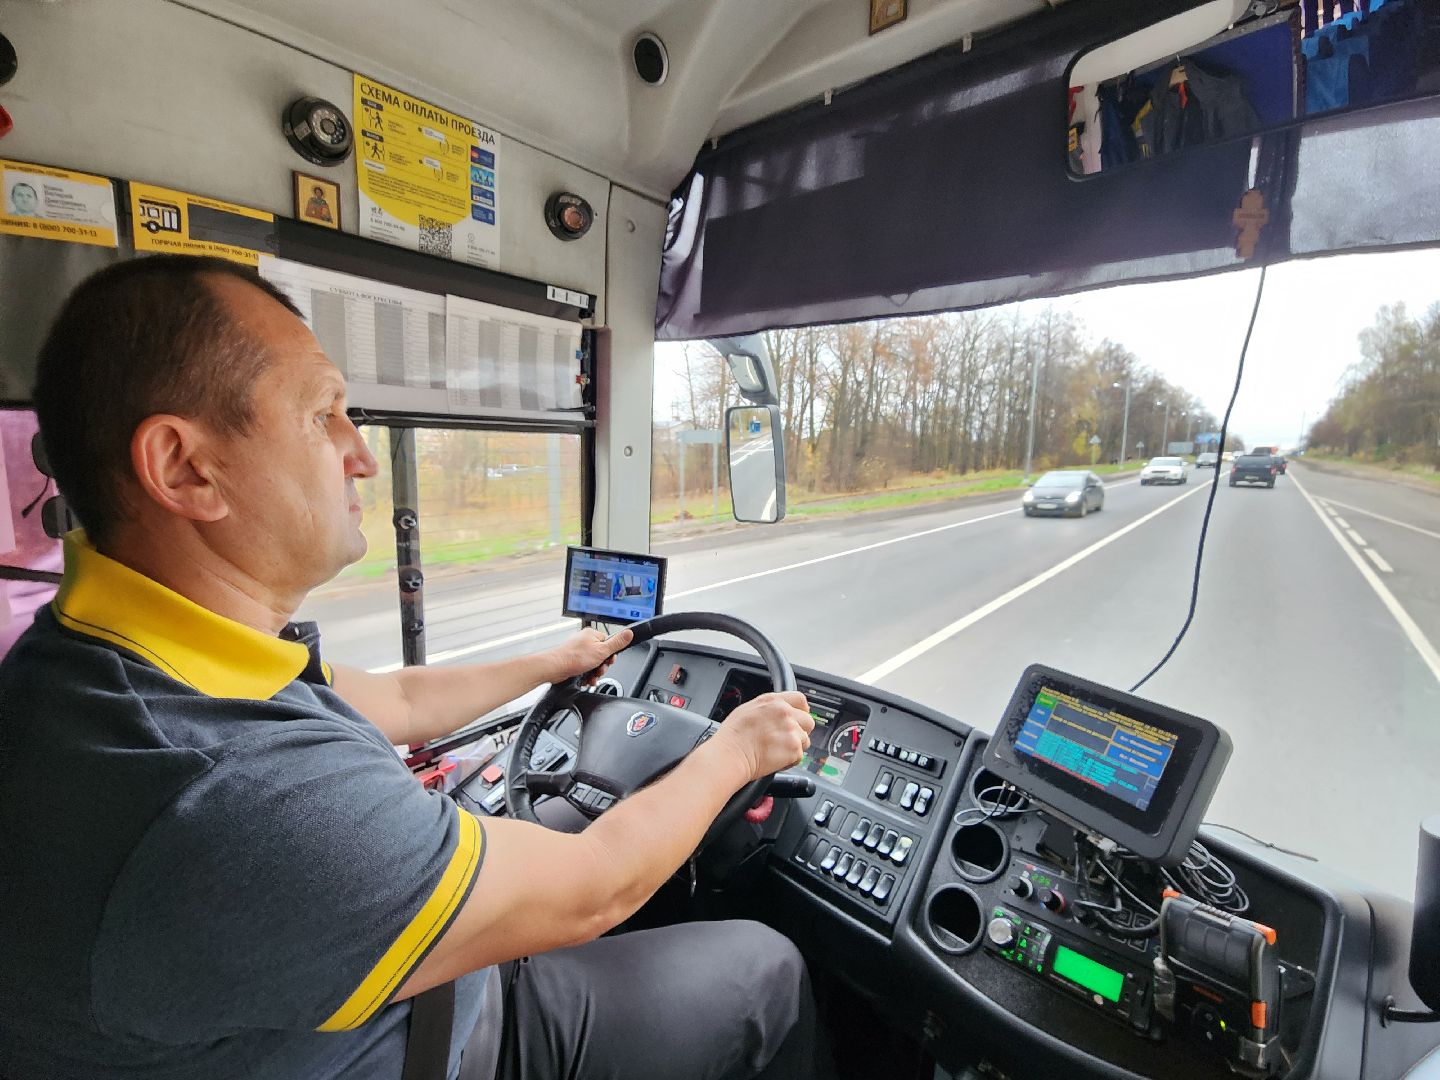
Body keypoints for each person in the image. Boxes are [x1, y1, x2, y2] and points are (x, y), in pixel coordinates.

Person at [0, 255, 821, 1080]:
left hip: (376, 1001)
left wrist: (553, 663)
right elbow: (593, 889)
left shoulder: (108, 660)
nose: (359, 453)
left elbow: (393, 696)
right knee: (766, 967)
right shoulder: (228, 794)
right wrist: (739, 752)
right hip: (451, 1047)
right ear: (185, 467)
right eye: (324, 413)